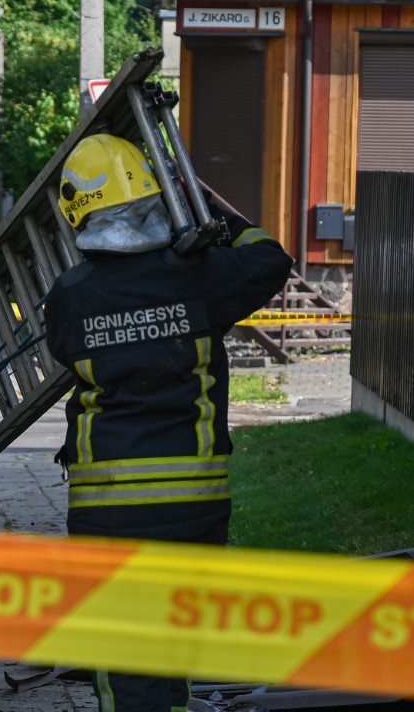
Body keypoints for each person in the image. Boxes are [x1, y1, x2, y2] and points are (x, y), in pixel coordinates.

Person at [42, 133, 292, 712]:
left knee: (123, 658)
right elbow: (271, 260)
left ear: (79, 211)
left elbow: (62, 348)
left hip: (108, 505)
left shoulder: (69, 296)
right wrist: (213, 218)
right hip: (194, 502)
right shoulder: (202, 276)